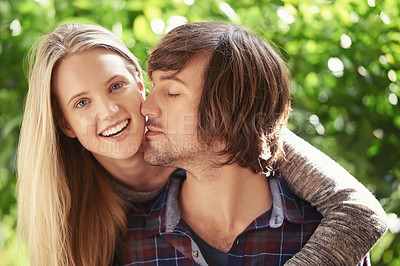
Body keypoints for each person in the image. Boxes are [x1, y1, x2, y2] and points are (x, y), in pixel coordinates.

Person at [17, 23, 386, 266]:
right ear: (64, 124)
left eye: (117, 86)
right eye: (82, 103)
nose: (112, 110)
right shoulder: (89, 220)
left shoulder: (211, 129)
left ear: (138, 81)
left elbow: (356, 209)